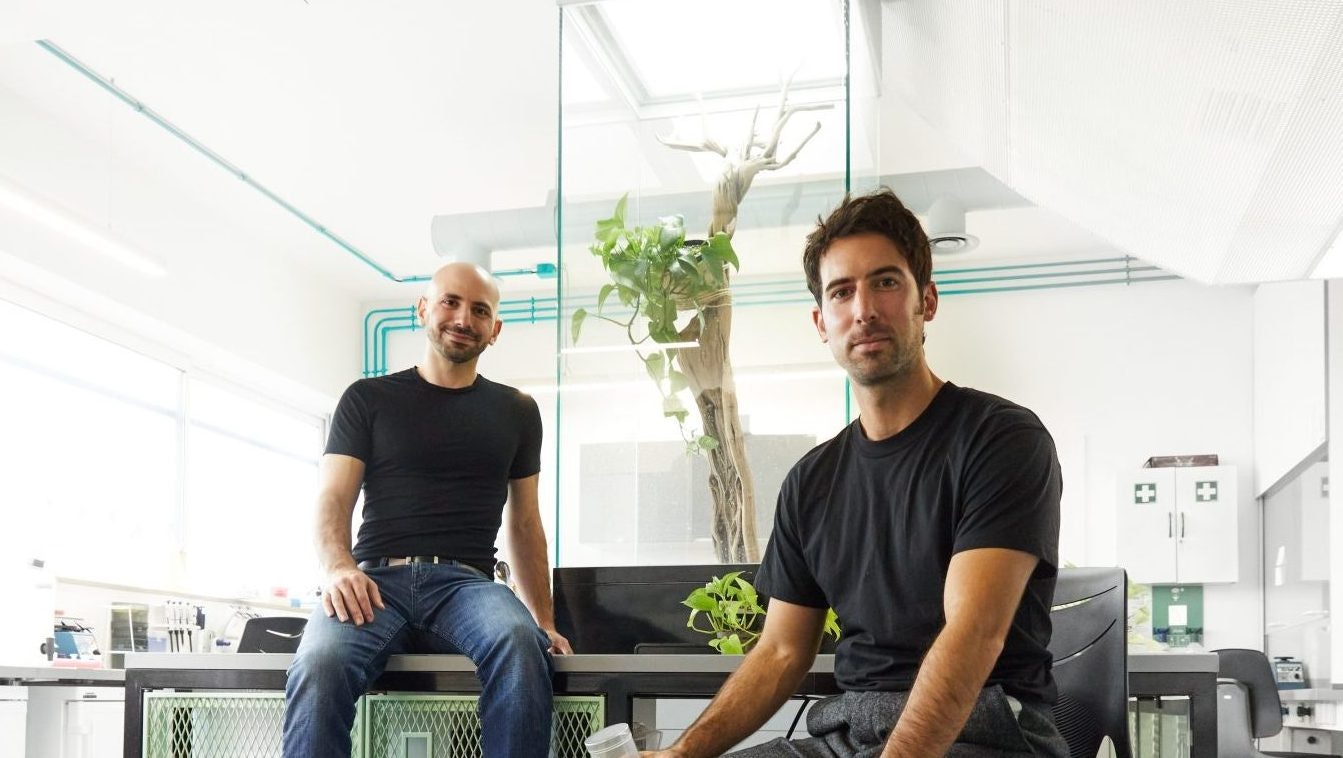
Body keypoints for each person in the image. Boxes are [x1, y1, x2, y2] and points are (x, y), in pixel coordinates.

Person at [645, 188, 1066, 758]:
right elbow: (780, 653)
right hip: (848, 733)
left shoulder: (1001, 439)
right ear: (822, 322)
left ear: (928, 302)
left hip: (985, 727)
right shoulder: (811, 483)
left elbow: (974, 634)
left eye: (886, 282)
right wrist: (681, 754)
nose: (864, 309)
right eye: (842, 292)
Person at [282, 261, 572, 758]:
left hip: (468, 586)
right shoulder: (367, 398)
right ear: (423, 310)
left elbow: (525, 523)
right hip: (373, 584)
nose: (463, 318)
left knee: (523, 647)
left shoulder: (517, 411)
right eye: (450, 302)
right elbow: (332, 499)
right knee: (319, 664)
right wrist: (338, 568)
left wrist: (544, 619)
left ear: (494, 330)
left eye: (479, 310)